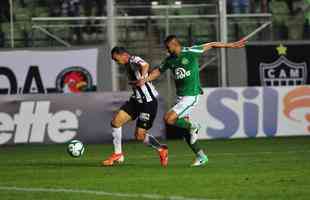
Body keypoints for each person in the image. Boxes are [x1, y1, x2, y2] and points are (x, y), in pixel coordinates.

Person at [132, 35, 246, 167]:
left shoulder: (191, 52)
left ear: (175, 45)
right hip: (180, 97)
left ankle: (194, 126)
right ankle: (201, 156)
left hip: (191, 95)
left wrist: (231, 45)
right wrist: (144, 80)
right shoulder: (170, 60)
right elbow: (158, 71)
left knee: (169, 119)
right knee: (186, 133)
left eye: (168, 48)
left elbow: (212, 44)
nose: (167, 51)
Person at [102, 47, 168, 167]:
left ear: (122, 55)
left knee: (139, 136)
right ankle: (118, 154)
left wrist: (142, 79)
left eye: (116, 58)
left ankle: (161, 149)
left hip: (148, 102)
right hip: (136, 100)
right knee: (116, 122)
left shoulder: (133, 59)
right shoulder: (127, 65)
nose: (115, 61)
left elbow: (145, 65)